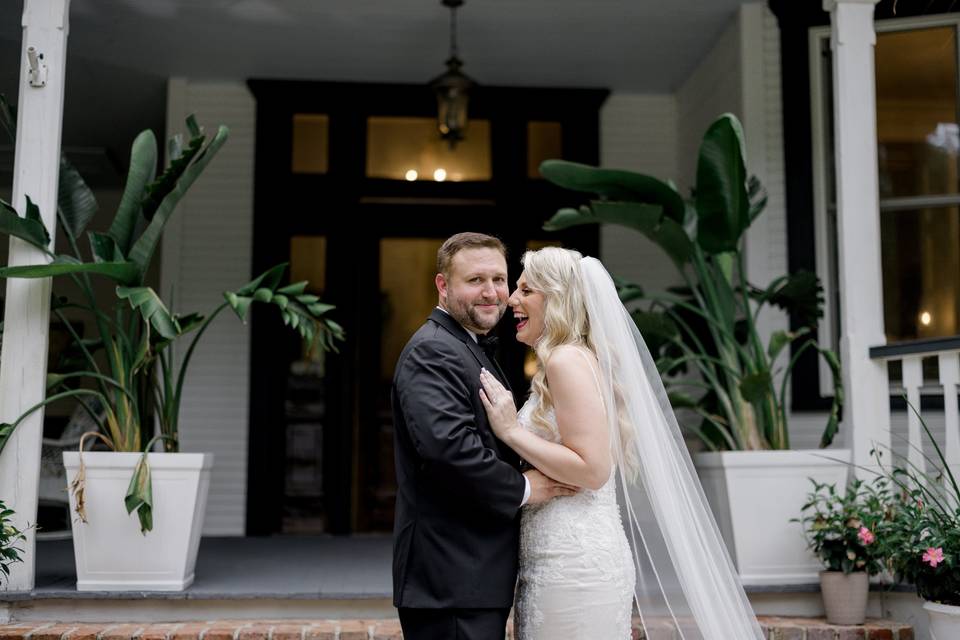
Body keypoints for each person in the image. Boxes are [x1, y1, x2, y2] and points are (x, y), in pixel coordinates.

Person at [479, 247, 765, 640]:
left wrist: (512, 431)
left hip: (573, 563)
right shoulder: (575, 358)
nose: (512, 299)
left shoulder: (565, 361)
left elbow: (593, 470)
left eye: (526, 290)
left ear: (557, 298)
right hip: (563, 555)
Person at [391, 233, 577, 640]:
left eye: (499, 279)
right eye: (475, 280)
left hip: (471, 577)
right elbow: (448, 451)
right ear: (443, 285)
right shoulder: (433, 351)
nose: (492, 292)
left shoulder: (466, 346)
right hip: (450, 579)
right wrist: (524, 488)